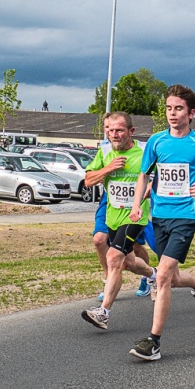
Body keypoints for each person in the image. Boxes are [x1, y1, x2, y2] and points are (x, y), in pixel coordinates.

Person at [128, 84, 195, 362]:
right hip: (159, 214)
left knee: (161, 276)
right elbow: (143, 176)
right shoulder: (157, 142)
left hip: (187, 215)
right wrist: (137, 205)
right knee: (170, 277)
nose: (173, 113)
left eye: (179, 109)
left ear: (191, 112)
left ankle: (154, 341)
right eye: (169, 108)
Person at [80, 112, 156, 331]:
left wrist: (150, 189)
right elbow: (88, 180)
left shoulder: (144, 152)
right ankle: (154, 274)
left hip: (135, 215)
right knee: (128, 263)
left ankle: (103, 312)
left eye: (120, 130)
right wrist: (108, 168)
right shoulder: (104, 152)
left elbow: (159, 177)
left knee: (113, 258)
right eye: (111, 130)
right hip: (113, 215)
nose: (114, 134)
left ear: (131, 131)